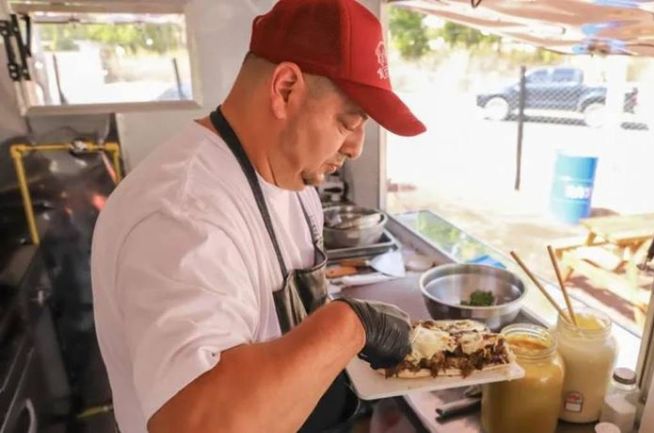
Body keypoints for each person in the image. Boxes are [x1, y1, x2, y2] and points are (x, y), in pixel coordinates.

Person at [90, 0, 427, 432]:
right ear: (285, 88)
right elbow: (197, 425)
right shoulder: (181, 214)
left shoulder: (293, 182)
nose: (357, 147)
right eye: (348, 123)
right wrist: (349, 325)